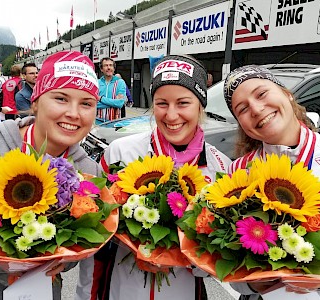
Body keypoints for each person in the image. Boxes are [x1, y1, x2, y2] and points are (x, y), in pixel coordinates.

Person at [76, 54, 232, 300]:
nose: (171, 116)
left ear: (200, 105)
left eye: (183, 103)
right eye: (161, 103)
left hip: (183, 290)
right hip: (121, 287)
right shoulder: (120, 152)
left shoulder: (221, 167)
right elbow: (96, 239)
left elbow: (224, 252)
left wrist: (190, 260)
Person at [0, 50, 101, 300]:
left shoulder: (89, 173)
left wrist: (64, 261)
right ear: (35, 101)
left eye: (86, 103)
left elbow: (82, 241)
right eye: (61, 98)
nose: (74, 113)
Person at [223, 65, 320, 300]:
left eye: (262, 94)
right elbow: (227, 258)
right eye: (242, 109)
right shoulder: (238, 171)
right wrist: (252, 285)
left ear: (287, 94)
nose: (255, 108)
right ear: (241, 124)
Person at [96, 57, 126, 122]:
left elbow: (120, 103)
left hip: (115, 123)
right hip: (98, 123)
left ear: (114, 68)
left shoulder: (120, 82)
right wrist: (113, 102)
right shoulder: (97, 83)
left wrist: (101, 99)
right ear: (101, 69)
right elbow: (94, 104)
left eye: (111, 65)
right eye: (106, 65)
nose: (108, 67)